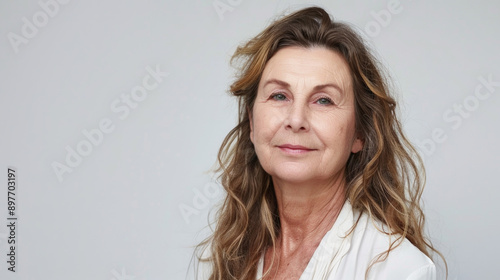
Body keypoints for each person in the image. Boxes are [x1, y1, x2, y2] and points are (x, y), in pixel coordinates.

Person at [195, 6, 446, 280]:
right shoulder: (226, 256)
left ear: (360, 133)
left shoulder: (398, 270)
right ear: (252, 123)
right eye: (279, 96)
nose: (295, 119)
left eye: (323, 100)